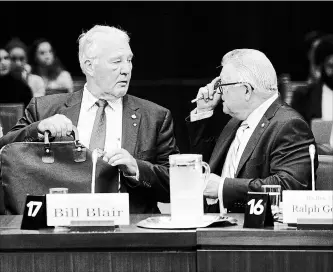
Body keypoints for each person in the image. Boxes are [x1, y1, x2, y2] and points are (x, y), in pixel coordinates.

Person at [0, 25, 179, 213]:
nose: (126, 69)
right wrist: (37, 129)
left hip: (128, 232)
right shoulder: (44, 109)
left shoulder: (155, 116)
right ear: (89, 66)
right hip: (57, 231)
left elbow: (178, 184)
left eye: (129, 60)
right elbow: (4, 155)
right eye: (116, 61)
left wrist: (137, 169)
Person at [187, 49, 318, 213]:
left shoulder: (289, 125)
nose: (217, 92)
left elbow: (288, 187)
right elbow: (205, 169)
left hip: (255, 233)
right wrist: (203, 112)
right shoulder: (235, 121)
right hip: (214, 225)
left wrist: (223, 187)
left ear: (246, 90)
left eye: (222, 85)